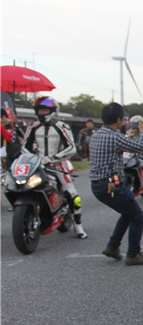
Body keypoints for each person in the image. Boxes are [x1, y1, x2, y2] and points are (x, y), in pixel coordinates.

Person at [89, 102, 143, 266]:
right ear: (118, 119)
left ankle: (112, 246)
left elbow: (114, 146)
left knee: (127, 212)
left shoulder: (97, 135)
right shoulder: (115, 137)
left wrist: (128, 136)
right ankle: (133, 254)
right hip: (111, 186)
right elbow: (141, 146)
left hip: (97, 185)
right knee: (138, 216)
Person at [22, 97, 88, 239]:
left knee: (73, 195)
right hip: (37, 164)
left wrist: (54, 158)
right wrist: (33, 158)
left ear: (53, 111)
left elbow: (71, 147)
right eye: (40, 110)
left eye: (45, 110)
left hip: (58, 164)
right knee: (24, 186)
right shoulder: (32, 127)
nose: (42, 113)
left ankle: (78, 227)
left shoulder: (62, 126)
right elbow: (25, 146)